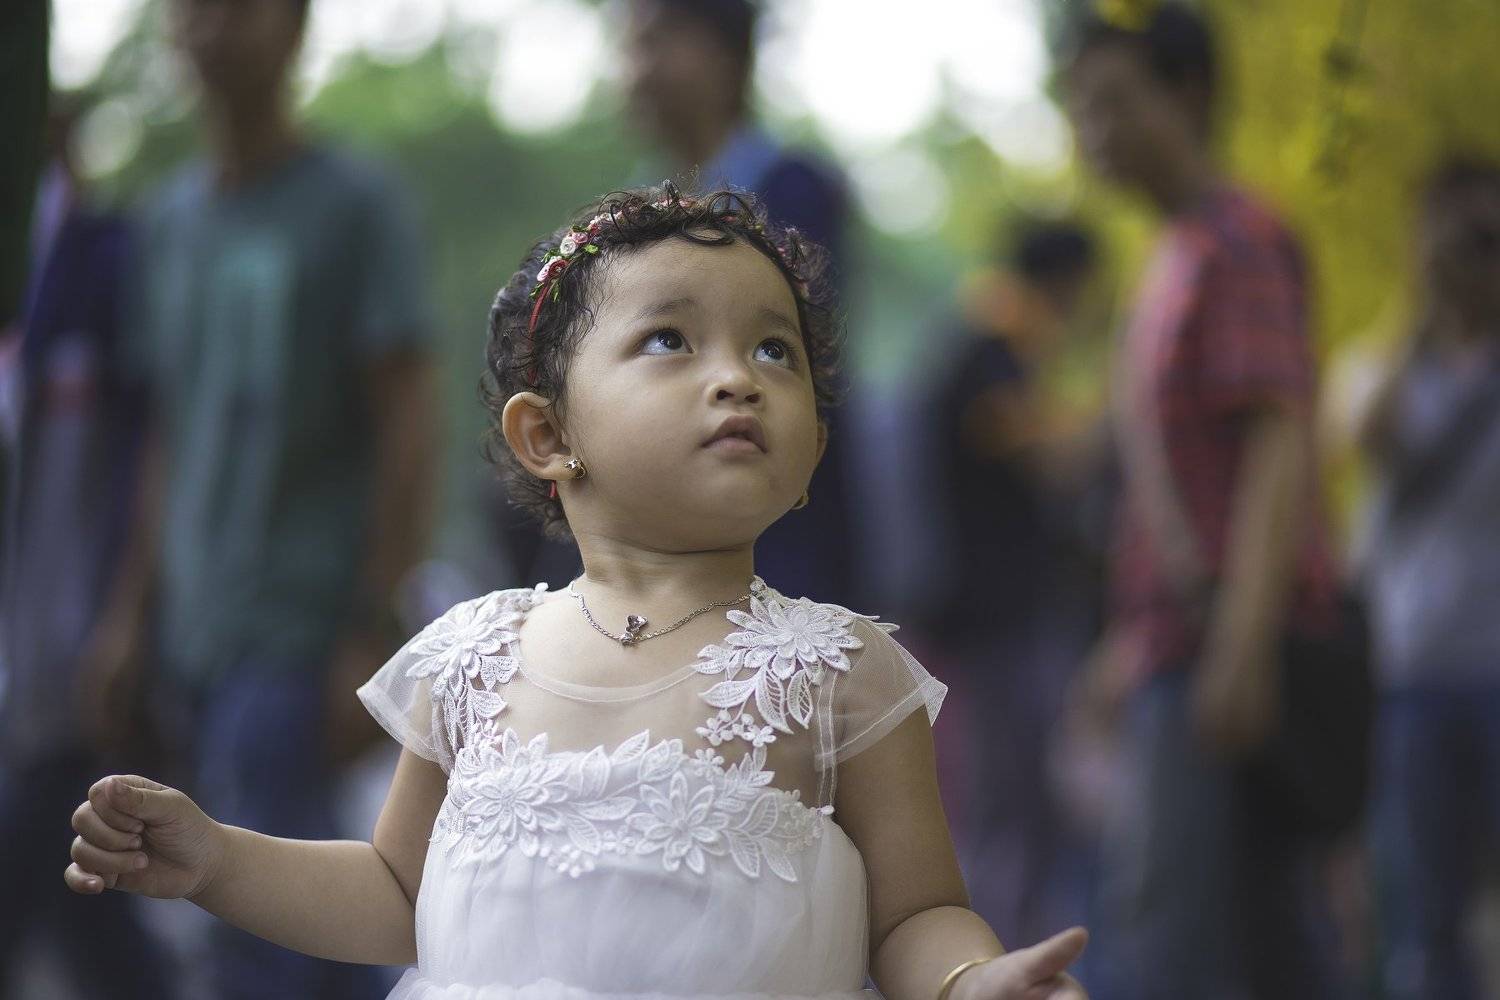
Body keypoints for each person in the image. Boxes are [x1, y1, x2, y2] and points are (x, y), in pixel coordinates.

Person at [64, 184, 1091, 1000]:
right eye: (671, 339)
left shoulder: (839, 672)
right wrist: (218, 859)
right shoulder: (473, 658)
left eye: (773, 349)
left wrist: (967, 980)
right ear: (548, 435)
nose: (738, 376)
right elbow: (395, 891)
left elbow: (914, 914)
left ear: (814, 449)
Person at [75, 0, 438, 996]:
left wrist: (373, 624)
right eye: (194, 9)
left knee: (259, 928)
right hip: (194, 629)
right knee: (297, 916)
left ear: (295, 26)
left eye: (241, 8)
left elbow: (408, 422)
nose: (212, 29)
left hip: (298, 628)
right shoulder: (168, 222)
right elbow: (166, 434)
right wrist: (128, 616)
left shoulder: (355, 204)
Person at [1059, 5, 1346, 998]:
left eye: (1113, 102)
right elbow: (1171, 481)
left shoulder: (1239, 241)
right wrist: (1126, 641)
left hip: (1218, 645)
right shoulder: (1175, 253)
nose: (1092, 130)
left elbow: (1277, 443)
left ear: (1186, 95)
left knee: (1175, 939)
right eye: (1079, 107)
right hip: (1177, 640)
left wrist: (1243, 642)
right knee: (1257, 936)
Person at [0, 102, 178, 1000]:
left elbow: (153, 447)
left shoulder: (109, 261)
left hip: (68, 668)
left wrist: (122, 621)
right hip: (29, 679)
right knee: (88, 915)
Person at [619, 0, 857, 603]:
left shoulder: (795, 191)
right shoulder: (640, 207)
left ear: (723, 56)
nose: (635, 69)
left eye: (654, 42)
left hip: (784, 544)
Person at [921, 222, 1101, 947]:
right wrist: (1117, 415)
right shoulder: (989, 354)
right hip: (999, 618)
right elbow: (1050, 458)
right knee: (1010, 792)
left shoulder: (984, 347)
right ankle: (994, 948)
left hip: (999, 613)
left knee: (1014, 791)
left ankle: (1004, 938)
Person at [1355, 157, 1500, 1000]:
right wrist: (1421, 303)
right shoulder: (1396, 369)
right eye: (1458, 236)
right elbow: (1356, 430)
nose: (1474, 256)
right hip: (1410, 678)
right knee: (1426, 920)